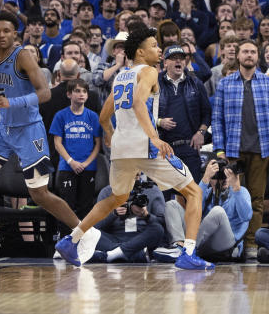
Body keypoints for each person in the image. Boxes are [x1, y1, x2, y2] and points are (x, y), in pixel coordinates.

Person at [54, 26, 212, 270]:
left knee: (117, 198)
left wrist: (111, 135)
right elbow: (139, 102)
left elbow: (104, 116)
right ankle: (188, 252)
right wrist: (155, 138)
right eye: (153, 46)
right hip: (144, 146)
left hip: (121, 149)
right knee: (194, 192)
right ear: (140, 52)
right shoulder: (148, 71)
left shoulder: (121, 76)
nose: (159, 50)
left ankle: (71, 239)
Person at [0, 13, 85, 261]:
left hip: (29, 131)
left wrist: (9, 102)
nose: (1, 35)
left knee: (39, 194)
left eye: (6, 31)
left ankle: (82, 232)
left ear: (15, 34)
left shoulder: (22, 55)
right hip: (4, 131)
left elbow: (44, 93)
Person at [211, 38, 269, 262]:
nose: (249, 55)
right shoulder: (225, 83)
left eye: (253, 52)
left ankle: (251, 243)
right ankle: (233, 242)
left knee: (256, 199)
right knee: (231, 198)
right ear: (238, 55)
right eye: (245, 52)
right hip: (233, 150)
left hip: (261, 150)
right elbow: (218, 118)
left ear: (258, 56)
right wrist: (220, 150)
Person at [158, 158, 254, 262]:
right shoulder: (207, 192)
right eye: (218, 176)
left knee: (218, 211)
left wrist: (236, 188)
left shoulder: (241, 192)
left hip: (225, 243)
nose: (223, 179)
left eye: (224, 175)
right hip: (203, 241)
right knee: (172, 205)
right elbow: (192, 209)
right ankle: (179, 246)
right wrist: (205, 179)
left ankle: (187, 249)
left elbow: (246, 217)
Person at [49, 79, 102, 226]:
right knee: (67, 207)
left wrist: (85, 163)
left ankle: (83, 242)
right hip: (67, 167)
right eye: (77, 91)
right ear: (69, 94)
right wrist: (71, 162)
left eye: (84, 91)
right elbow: (57, 143)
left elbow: (98, 144)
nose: (81, 94)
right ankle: (65, 243)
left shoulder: (93, 116)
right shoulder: (61, 116)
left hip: (88, 168)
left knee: (85, 208)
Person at [157, 45, 212, 182]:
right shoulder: (155, 82)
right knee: (166, 196)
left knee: (193, 192)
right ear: (165, 62)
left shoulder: (195, 83)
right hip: (164, 147)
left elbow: (207, 113)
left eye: (181, 58)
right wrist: (159, 122)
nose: (178, 61)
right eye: (174, 58)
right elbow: (143, 112)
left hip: (189, 147)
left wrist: (201, 133)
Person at [86, 176, 166, 263]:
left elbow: (161, 224)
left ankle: (111, 255)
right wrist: (113, 214)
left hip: (142, 239)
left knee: (158, 230)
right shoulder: (107, 191)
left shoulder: (152, 190)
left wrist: (146, 216)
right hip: (115, 238)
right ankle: (134, 255)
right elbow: (96, 225)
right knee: (87, 232)